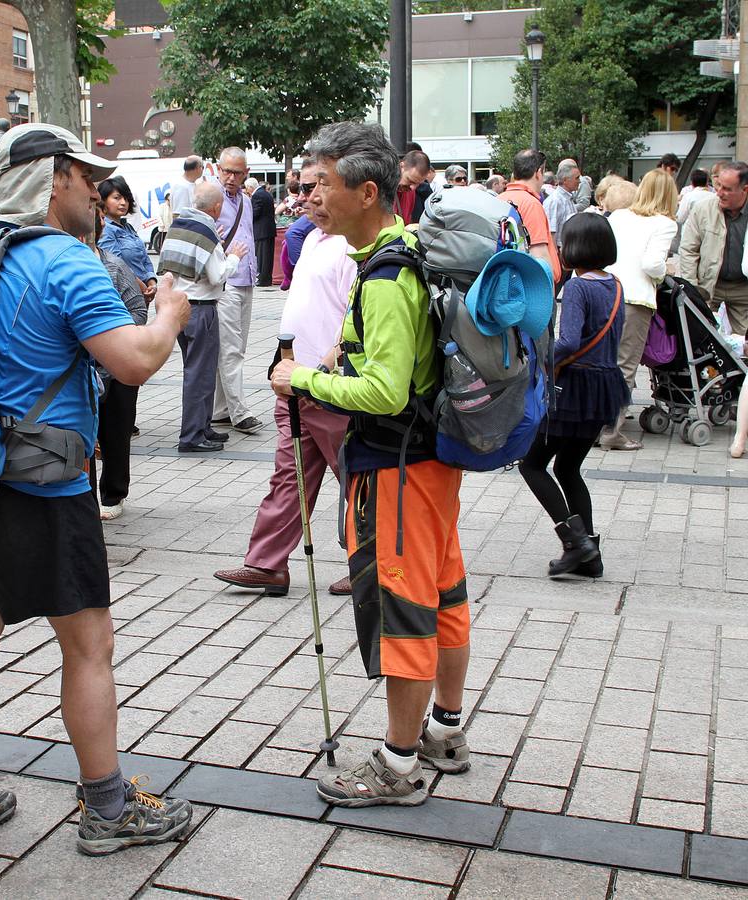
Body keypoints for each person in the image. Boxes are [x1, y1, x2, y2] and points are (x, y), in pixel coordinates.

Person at [0, 123, 192, 856]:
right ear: (53, 180)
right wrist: (168, 315)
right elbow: (132, 362)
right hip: (46, 483)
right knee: (89, 644)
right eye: (85, 175)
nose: (98, 192)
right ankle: (107, 808)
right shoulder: (64, 260)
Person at [270, 121, 471, 808]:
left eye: (320, 183)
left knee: (403, 609)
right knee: (444, 592)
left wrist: (304, 380)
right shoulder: (408, 250)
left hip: (395, 466)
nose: (306, 195)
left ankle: (397, 764)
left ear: (366, 190)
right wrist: (338, 359)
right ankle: (444, 729)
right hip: (433, 461)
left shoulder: (384, 275)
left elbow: (384, 391)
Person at [215, 163, 356, 597]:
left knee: (357, 477)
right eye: (306, 187)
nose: (308, 196)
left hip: (329, 384)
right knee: (289, 476)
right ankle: (268, 564)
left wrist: (324, 369)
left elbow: (356, 320)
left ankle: (374, 562)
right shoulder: (311, 237)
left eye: (319, 187)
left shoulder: (354, 248)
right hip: (295, 380)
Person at [519, 214, 628, 579]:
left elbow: (568, 341)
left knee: (532, 464)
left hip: (574, 388)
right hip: (604, 388)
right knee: (568, 468)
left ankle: (575, 542)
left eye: (563, 242)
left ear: (577, 247)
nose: (560, 249)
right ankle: (590, 557)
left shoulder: (579, 287)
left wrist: (539, 357)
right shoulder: (615, 285)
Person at [159, 181, 248, 454]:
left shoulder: (180, 226)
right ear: (217, 206)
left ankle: (202, 426)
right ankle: (193, 436)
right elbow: (217, 274)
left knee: (196, 371)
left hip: (180, 308)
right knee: (201, 374)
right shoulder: (206, 233)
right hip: (202, 309)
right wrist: (232, 257)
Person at [601, 169, 678, 450]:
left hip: (607, 293)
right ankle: (612, 431)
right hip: (635, 300)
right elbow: (652, 265)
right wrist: (663, 273)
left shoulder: (619, 216)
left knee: (602, 361)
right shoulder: (666, 224)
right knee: (625, 365)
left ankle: (593, 425)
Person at [89, 205, 148, 520]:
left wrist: (114, 344)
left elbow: (138, 309)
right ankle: (83, 497)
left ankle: (113, 494)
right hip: (81, 371)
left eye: (98, 215)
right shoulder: (64, 262)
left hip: (117, 367)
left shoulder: (113, 265)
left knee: (116, 432)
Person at [211, 146, 262, 434]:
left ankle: (220, 409)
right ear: (218, 169)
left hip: (246, 280)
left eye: (236, 172)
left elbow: (248, 237)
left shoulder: (246, 200)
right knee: (231, 349)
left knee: (236, 347)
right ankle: (239, 411)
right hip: (224, 280)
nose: (230, 177)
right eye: (226, 171)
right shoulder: (210, 197)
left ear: (246, 173)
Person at [679, 161, 748, 334]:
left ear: (745, 190)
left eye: (727, 189)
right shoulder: (703, 209)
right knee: (703, 339)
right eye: (718, 186)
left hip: (743, 289)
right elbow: (688, 250)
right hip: (708, 286)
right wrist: (691, 288)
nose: (719, 193)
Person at [503, 150, 561, 284]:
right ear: (538, 172)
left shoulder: (500, 198)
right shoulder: (531, 204)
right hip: (534, 291)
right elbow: (539, 255)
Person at [98, 176, 157, 304]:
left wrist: (152, 282)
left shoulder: (128, 227)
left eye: (126, 198)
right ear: (104, 200)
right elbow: (117, 265)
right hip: (125, 296)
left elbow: (144, 258)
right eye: (117, 198)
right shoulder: (105, 229)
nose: (123, 203)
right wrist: (142, 288)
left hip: (142, 294)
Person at [544, 159, 580, 251]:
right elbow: (551, 235)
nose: (579, 181)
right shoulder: (555, 201)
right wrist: (555, 261)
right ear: (565, 180)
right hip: (561, 256)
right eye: (577, 178)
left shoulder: (567, 199)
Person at [394, 149, 432, 225]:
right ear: (401, 166)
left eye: (418, 184)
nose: (413, 188)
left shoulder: (410, 192)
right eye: (410, 180)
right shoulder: (382, 188)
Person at [251, 178, 276, 286]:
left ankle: (261, 278)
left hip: (261, 230)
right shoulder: (266, 194)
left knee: (261, 257)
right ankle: (266, 278)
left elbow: (255, 212)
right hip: (268, 230)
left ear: (249, 187)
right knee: (267, 257)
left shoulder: (257, 195)